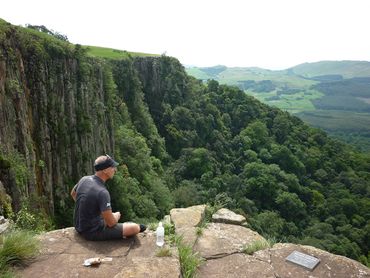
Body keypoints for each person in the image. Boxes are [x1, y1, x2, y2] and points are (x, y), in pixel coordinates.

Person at [71, 154, 146, 241]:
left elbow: (73, 193)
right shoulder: (102, 192)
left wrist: (87, 209)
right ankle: (134, 226)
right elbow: (111, 223)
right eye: (113, 167)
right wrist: (116, 216)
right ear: (106, 170)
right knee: (134, 228)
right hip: (92, 232)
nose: (115, 170)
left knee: (110, 217)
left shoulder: (84, 179)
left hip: (78, 225)